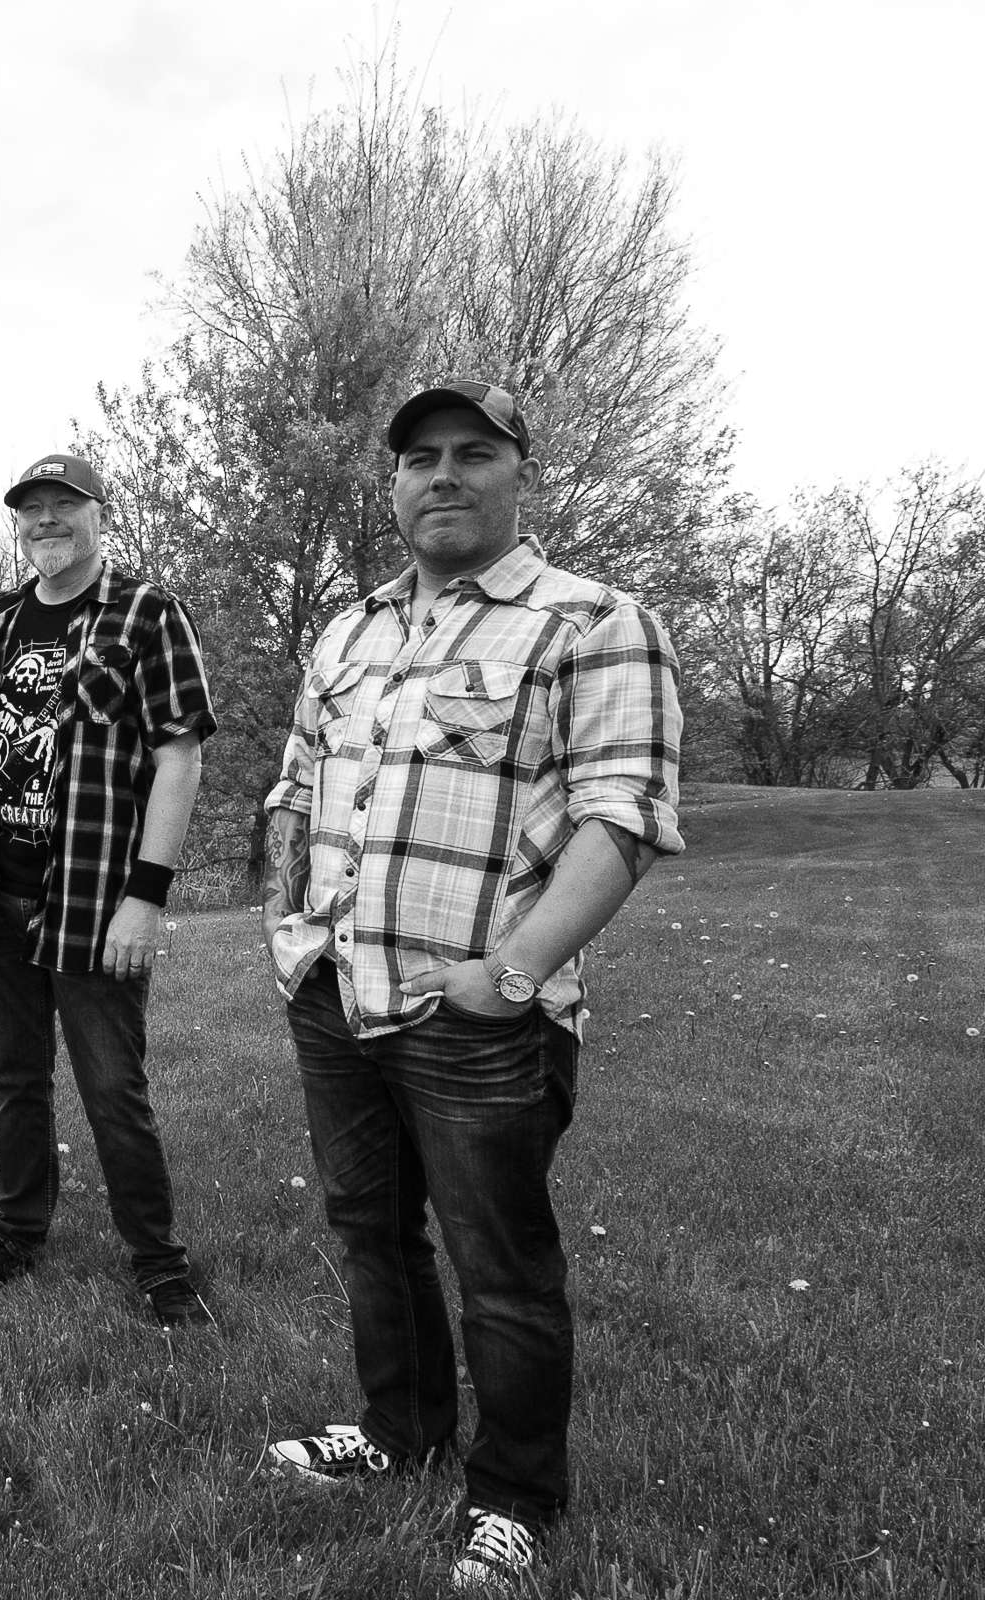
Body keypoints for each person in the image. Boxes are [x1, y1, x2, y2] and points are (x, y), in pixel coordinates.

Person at [258, 380, 683, 1593]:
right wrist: (293, 929)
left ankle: (515, 1497)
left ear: (517, 474)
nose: (442, 476)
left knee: (500, 1263)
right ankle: (400, 1434)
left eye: (472, 454)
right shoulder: (348, 634)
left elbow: (625, 820)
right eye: (418, 459)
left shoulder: (593, 623)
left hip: (477, 1014)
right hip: (336, 989)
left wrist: (516, 972)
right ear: (391, 485)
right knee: (370, 1234)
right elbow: (296, 784)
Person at [0, 452, 216, 1328]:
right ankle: (16, 1234)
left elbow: (179, 756)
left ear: (97, 515)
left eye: (64, 506)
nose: (47, 521)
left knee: (112, 1088)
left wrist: (146, 895)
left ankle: (159, 1262)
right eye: (32, 509)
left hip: (94, 899)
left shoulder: (146, 614)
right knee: (17, 1080)